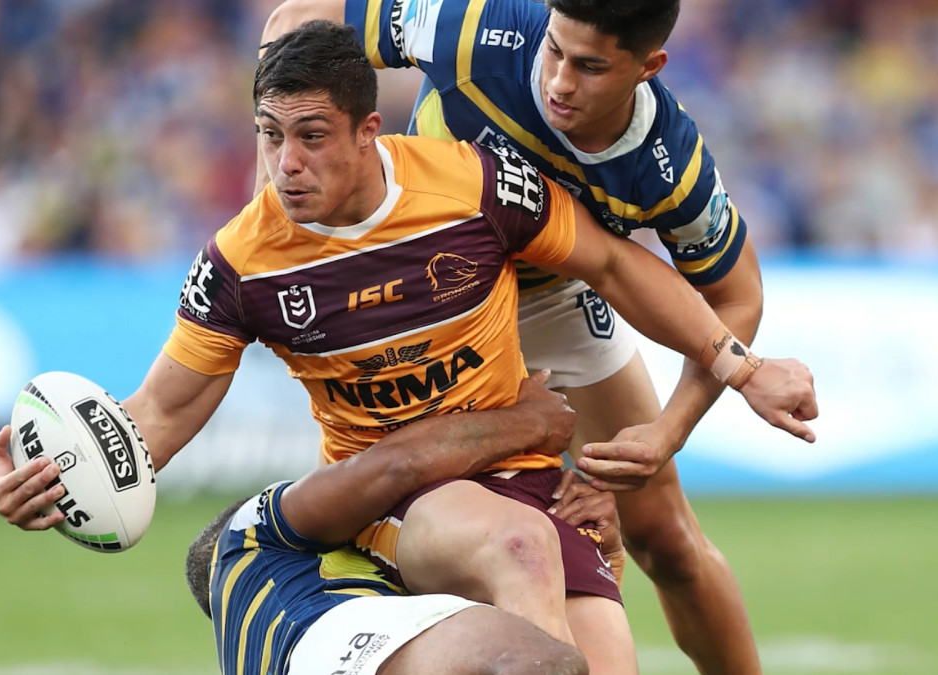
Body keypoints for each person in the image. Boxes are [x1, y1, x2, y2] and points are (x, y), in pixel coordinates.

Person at [0, 20, 817, 675]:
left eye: (312, 136)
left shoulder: (473, 184)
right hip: (396, 505)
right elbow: (157, 414)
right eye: (269, 135)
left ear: (368, 132)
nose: (286, 163)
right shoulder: (242, 261)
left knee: (601, 651)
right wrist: (58, 476)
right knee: (520, 560)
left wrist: (740, 368)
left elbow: (612, 263)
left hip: (529, 484)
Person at [259, 2, 776, 672]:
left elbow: (737, 297)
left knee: (667, 539)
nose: (560, 81)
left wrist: (668, 430)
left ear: (649, 67)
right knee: (421, 533)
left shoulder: (668, 162)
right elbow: (297, 18)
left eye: (589, 66)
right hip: (432, 303)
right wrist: (268, 170)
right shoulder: (473, 27)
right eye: (555, 51)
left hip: (555, 298)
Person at [183, 371, 616, 675]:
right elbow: (392, 466)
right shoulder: (247, 532)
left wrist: (606, 561)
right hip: (356, 654)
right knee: (543, 661)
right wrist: (532, 423)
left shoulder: (251, 645)